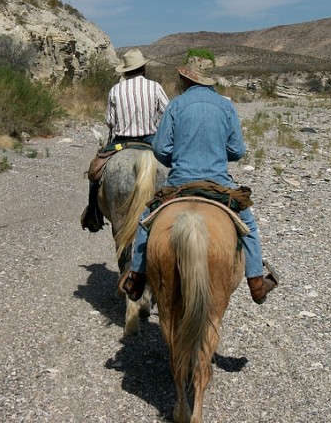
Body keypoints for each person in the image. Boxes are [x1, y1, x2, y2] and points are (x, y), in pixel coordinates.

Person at [119, 55, 279, 303]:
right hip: (219, 183)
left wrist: (182, 157)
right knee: (248, 224)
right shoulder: (226, 106)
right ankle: (257, 284)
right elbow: (237, 150)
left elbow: (161, 149)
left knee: (146, 219)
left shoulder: (176, 105)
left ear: (186, 78)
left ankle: (137, 280)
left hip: (180, 182)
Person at [80, 49, 169, 231]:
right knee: (175, 171)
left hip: (121, 142)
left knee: (95, 172)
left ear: (125, 71)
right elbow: (167, 114)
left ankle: (94, 214)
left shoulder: (115, 90)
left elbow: (110, 121)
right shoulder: (155, 87)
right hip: (151, 141)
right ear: (143, 68)